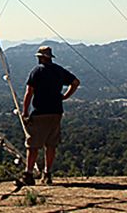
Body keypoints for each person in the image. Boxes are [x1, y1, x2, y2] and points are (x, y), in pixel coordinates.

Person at [21, 45, 80, 185]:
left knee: (33, 145)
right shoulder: (58, 70)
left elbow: (29, 92)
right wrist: (65, 96)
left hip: (40, 112)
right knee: (51, 144)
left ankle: (28, 174)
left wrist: (25, 112)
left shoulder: (37, 71)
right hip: (56, 112)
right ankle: (47, 174)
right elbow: (75, 82)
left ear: (41, 58)